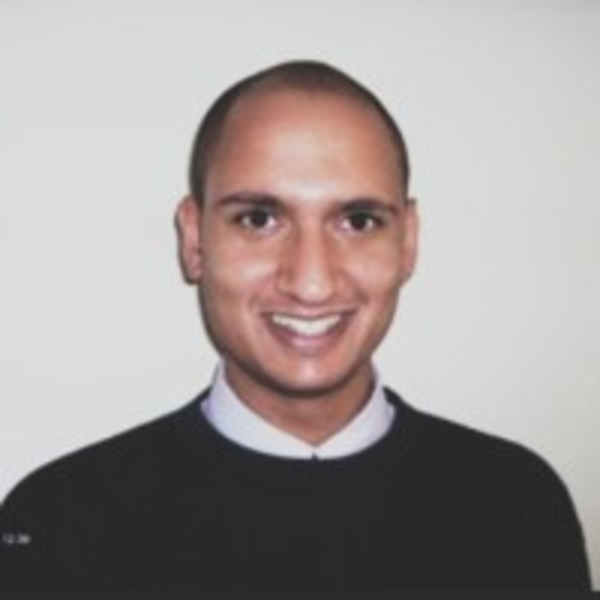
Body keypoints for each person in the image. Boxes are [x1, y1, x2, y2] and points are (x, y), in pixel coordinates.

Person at [0, 60, 591, 591]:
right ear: (194, 239)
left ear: (408, 242)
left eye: (358, 221)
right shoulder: (57, 522)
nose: (312, 283)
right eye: (259, 219)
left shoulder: (517, 503)